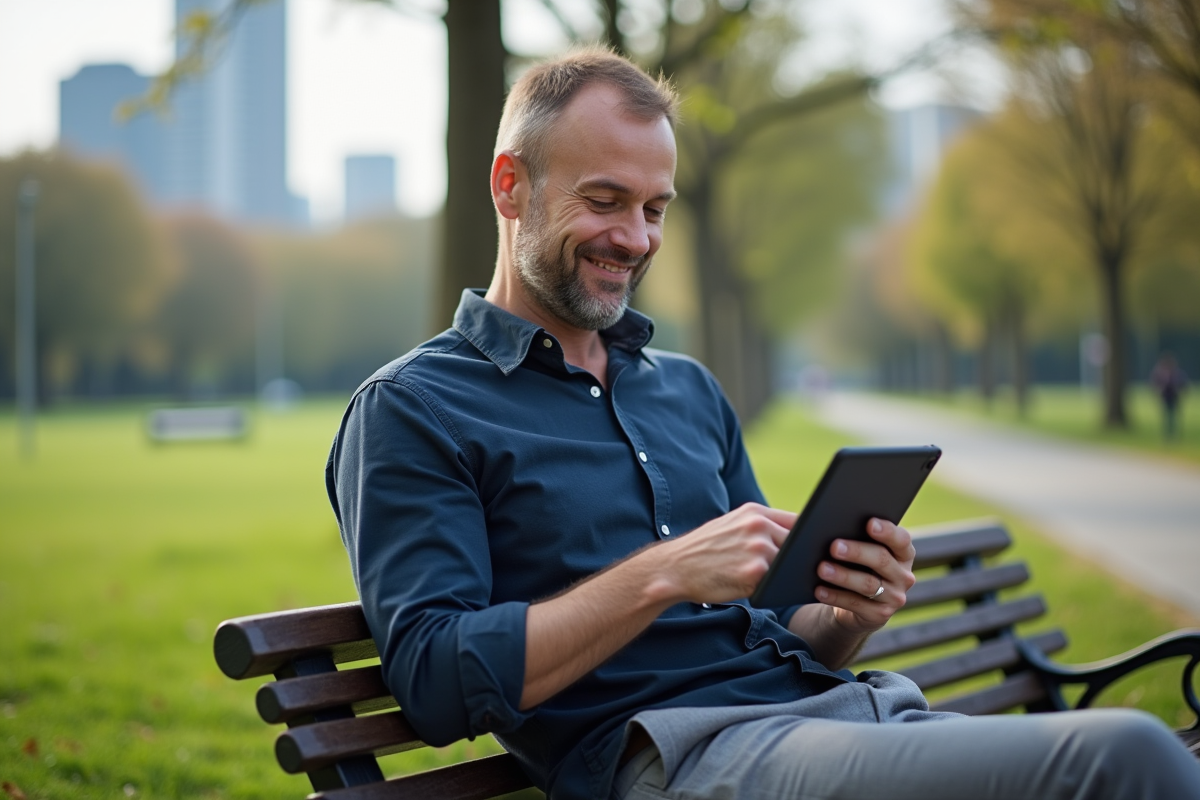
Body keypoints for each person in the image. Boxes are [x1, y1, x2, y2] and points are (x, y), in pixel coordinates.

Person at [325, 48, 1200, 800]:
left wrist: (851, 611)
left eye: (656, 207)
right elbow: (435, 681)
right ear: (510, 186)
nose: (635, 237)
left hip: (841, 714)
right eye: (604, 200)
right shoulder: (413, 409)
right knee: (1126, 755)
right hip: (683, 757)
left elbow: (788, 634)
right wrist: (663, 574)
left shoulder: (690, 394)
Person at [1151, 353, 1189, 441]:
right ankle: (1167, 434)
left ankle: (1174, 434)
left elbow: (1183, 385)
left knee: (1173, 416)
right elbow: (1155, 384)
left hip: (1174, 397)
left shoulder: (1177, 374)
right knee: (1166, 416)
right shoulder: (1160, 374)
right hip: (1165, 397)